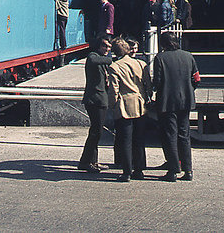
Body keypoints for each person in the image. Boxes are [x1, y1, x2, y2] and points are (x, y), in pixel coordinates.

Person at [153, 32, 200, 182]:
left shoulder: (160, 58)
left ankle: (173, 170)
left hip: (167, 101)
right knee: (184, 135)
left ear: (163, 44)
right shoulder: (188, 56)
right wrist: (188, 89)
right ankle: (188, 170)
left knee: (170, 136)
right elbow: (197, 79)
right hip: (186, 101)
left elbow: (157, 82)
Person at [107, 38, 152, 182]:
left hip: (124, 106)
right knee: (139, 139)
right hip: (140, 104)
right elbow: (148, 85)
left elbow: (114, 90)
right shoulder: (141, 63)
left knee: (125, 140)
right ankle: (139, 170)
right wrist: (147, 98)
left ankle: (126, 172)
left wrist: (112, 105)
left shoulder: (115, 67)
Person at [78, 38, 113, 173]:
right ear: (98, 45)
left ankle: (92, 161)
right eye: (104, 46)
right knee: (96, 132)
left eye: (109, 47)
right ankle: (86, 161)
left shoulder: (103, 59)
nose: (107, 49)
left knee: (97, 132)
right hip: (94, 100)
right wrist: (113, 59)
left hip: (102, 99)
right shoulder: (93, 56)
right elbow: (93, 61)